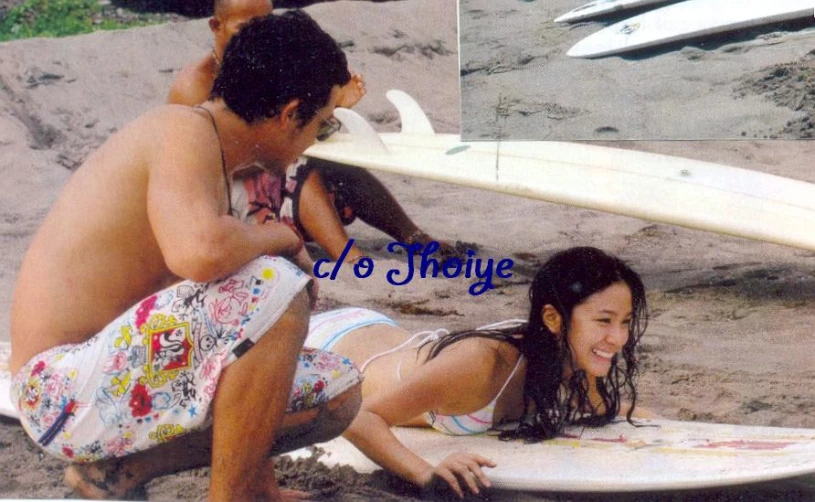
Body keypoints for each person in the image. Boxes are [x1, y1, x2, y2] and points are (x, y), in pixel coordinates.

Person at [10, 12, 362, 501]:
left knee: (337, 393)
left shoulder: (211, 150)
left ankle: (118, 475)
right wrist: (284, 239)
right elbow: (198, 253)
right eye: (320, 126)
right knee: (276, 285)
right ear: (289, 113)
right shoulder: (183, 130)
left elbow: (237, 346)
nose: (311, 142)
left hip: (102, 381)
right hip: (56, 391)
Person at [304, 246, 656, 498]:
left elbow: (601, 407)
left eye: (625, 322)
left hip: (381, 334)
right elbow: (359, 418)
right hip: (325, 348)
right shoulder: (483, 364)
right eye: (604, 321)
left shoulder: (568, 355)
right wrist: (426, 473)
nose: (619, 338)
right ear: (553, 319)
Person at [168, 0, 454, 264]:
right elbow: (206, 168)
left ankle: (413, 237)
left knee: (336, 162)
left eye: (267, 24)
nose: (258, 35)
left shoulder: (266, 65)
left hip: (264, 164)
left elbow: (299, 128)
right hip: (225, 190)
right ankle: (351, 258)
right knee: (300, 165)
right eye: (245, 27)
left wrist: (332, 105)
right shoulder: (196, 84)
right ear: (216, 27)